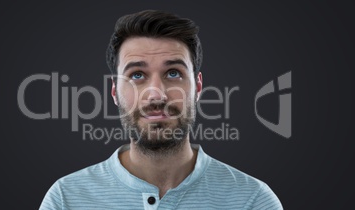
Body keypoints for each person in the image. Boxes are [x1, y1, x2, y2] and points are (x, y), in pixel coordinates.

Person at [39, 10, 283, 210]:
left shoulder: (254, 201)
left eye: (173, 73)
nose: (156, 93)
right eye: (137, 75)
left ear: (198, 86)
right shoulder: (65, 199)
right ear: (114, 91)